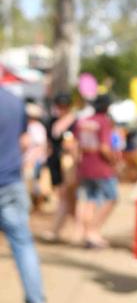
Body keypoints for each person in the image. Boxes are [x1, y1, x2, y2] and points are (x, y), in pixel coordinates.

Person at [0, 86, 47, 303]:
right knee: (22, 243)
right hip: (10, 182)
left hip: (9, 181)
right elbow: (24, 141)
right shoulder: (14, 101)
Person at [72, 93, 119, 248]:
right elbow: (104, 148)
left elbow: (75, 146)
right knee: (112, 198)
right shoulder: (103, 122)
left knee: (90, 200)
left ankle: (87, 234)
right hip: (101, 168)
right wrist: (113, 161)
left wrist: (77, 165)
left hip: (85, 166)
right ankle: (92, 232)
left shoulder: (83, 121)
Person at [42, 92, 78, 242]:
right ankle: (78, 228)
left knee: (66, 196)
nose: (61, 109)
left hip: (68, 164)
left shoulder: (75, 122)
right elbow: (49, 143)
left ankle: (57, 230)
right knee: (67, 198)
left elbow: (73, 145)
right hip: (56, 163)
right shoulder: (52, 122)